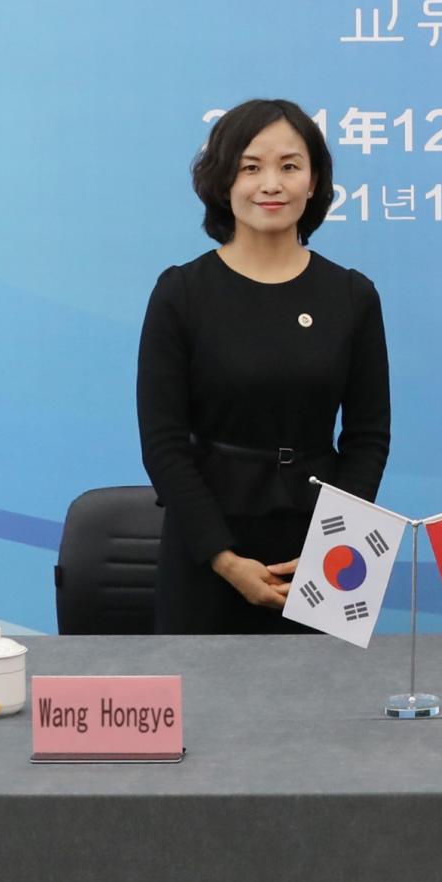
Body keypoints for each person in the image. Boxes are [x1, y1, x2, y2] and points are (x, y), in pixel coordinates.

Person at [136, 99, 390, 634]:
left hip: (327, 550)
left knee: (330, 689)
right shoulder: (182, 292)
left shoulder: (352, 295)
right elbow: (163, 443)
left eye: (289, 166)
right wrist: (225, 560)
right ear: (223, 180)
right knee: (202, 689)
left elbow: (368, 438)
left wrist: (336, 545)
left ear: (314, 182)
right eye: (250, 167)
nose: (271, 184)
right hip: (207, 545)